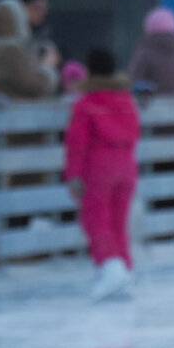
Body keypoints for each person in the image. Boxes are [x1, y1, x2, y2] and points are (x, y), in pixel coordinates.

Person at [64, 48, 141, 301]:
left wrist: (74, 174)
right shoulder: (126, 101)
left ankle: (111, 267)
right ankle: (123, 271)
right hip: (126, 168)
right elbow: (134, 134)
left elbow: (78, 143)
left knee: (97, 220)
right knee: (118, 222)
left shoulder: (86, 104)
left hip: (98, 169)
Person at [0, 0, 60, 98]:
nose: (42, 13)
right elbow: (33, 86)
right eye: (37, 7)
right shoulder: (9, 51)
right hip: (14, 112)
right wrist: (48, 67)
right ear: (18, 18)